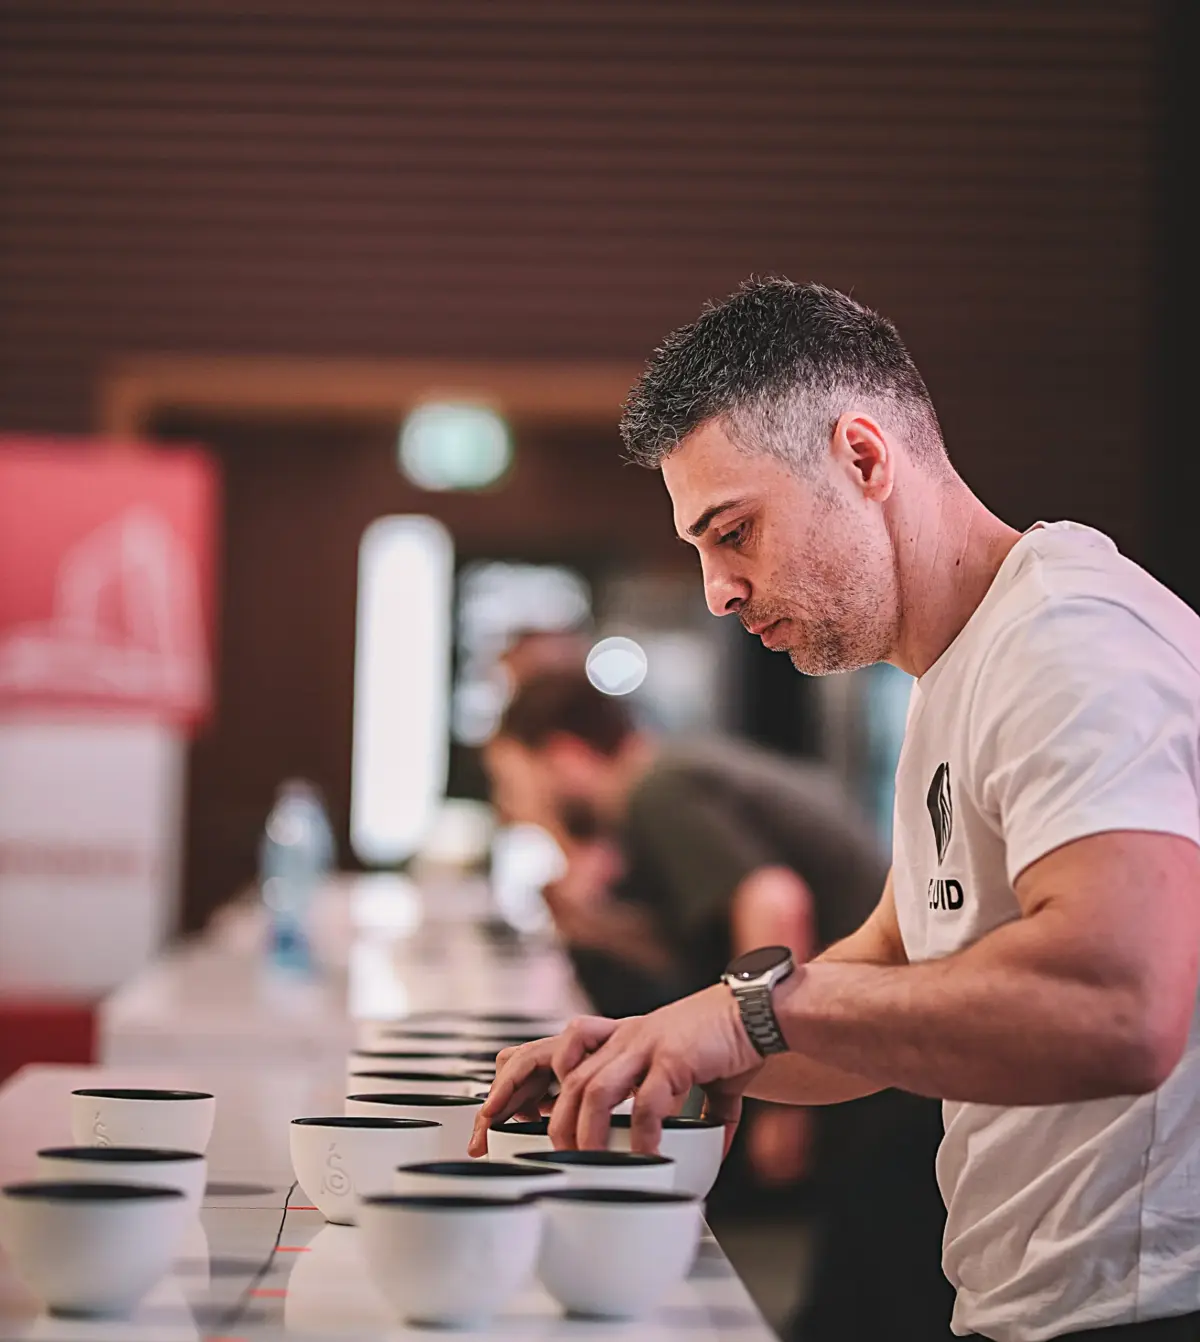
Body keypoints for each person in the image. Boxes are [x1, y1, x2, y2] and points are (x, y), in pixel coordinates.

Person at [473, 280, 1200, 1342]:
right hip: (1035, 1306)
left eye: (735, 531)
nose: (720, 590)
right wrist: (663, 1046)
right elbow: (885, 983)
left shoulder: (1070, 640)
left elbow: (1122, 1008)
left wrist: (745, 1014)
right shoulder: (959, 672)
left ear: (864, 457)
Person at [484, 667, 888, 1191]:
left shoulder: (660, 788)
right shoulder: (665, 783)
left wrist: (773, 1091)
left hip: (877, 1055)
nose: (516, 812)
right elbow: (697, 957)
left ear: (565, 757)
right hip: (861, 1037)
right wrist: (594, 926)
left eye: (515, 785)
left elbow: (775, 903)